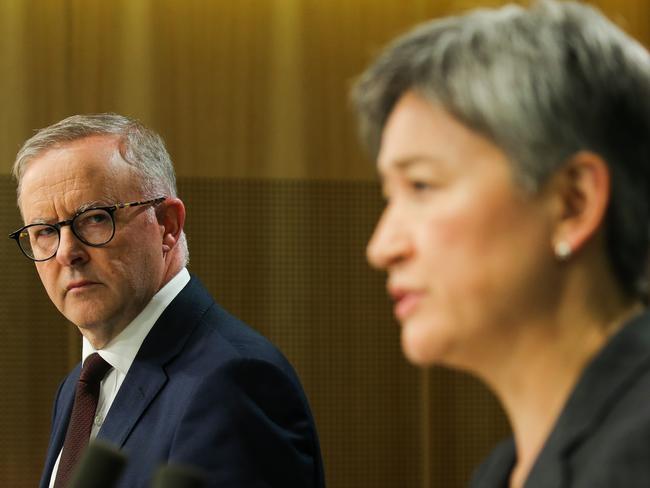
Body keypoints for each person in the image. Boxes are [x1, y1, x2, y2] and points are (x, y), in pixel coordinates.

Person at [352, 1, 650, 487]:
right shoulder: (500, 472)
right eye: (390, 196)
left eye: (422, 186)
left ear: (573, 203)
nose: (381, 247)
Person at [9, 114, 325, 488]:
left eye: (94, 218)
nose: (67, 252)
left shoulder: (233, 382)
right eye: (45, 231)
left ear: (167, 225)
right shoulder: (79, 387)